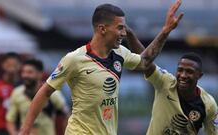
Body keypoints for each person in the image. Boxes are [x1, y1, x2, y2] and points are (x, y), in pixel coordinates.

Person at [19, 1, 183, 135]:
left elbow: (145, 62)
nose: (123, 33)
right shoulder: (75, 59)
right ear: (102, 29)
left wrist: (165, 31)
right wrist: (25, 130)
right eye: (120, 28)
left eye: (124, 28)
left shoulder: (120, 53)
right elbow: (45, 91)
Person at [126, 27, 218, 134]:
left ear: (199, 76)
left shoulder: (208, 104)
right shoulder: (165, 82)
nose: (183, 75)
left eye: (189, 71)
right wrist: (130, 34)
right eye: (180, 70)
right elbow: (145, 63)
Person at [6, 59, 69, 135]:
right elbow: (10, 119)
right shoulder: (17, 93)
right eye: (23, 72)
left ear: (40, 74)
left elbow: (66, 114)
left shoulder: (51, 93)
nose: (25, 75)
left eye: (30, 72)